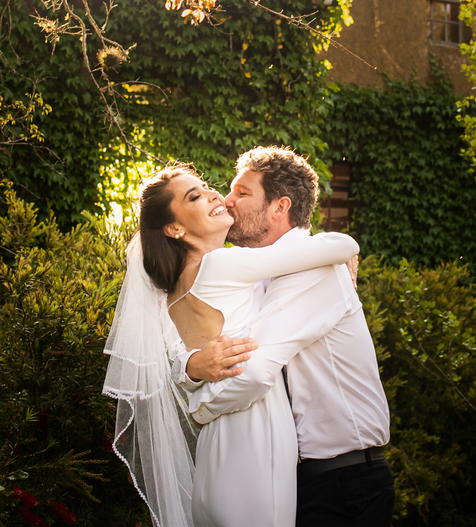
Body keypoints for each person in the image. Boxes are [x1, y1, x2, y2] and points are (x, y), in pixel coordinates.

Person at [103, 163, 359, 527]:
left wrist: (192, 371)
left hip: (212, 456)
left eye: (206, 186)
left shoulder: (171, 295)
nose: (213, 194)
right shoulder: (223, 264)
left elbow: (182, 365)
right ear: (174, 228)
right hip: (254, 439)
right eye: (194, 196)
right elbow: (343, 244)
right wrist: (341, 252)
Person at [178, 147, 395, 527]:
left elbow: (254, 369)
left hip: (343, 485)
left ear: (280, 207)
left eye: (242, 193)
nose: (228, 201)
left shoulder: (314, 272)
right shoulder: (260, 274)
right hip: (304, 480)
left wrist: (197, 411)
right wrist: (192, 368)